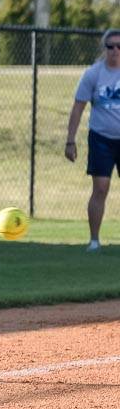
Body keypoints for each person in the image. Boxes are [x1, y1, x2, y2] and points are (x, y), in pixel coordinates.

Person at [66, 28, 120, 251]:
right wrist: (70, 141)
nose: (115, 50)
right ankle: (95, 241)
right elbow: (78, 108)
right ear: (104, 48)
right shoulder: (93, 74)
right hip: (101, 139)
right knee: (100, 188)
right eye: (111, 46)